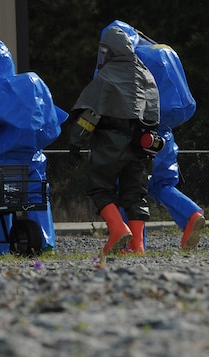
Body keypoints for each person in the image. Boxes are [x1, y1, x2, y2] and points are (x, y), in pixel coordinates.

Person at [0, 35, 68, 255]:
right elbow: (51, 122)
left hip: (4, 162)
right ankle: (45, 243)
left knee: (2, 202)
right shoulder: (33, 83)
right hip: (34, 158)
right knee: (38, 198)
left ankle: (1, 247)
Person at [104, 20, 205, 250]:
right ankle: (191, 214)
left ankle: (133, 244)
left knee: (127, 189)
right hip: (165, 135)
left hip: (138, 137)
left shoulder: (127, 62)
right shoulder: (159, 54)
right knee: (161, 185)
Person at [68, 26, 160, 254]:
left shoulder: (107, 75)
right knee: (135, 193)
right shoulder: (146, 74)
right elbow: (154, 114)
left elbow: (92, 113)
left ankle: (118, 229)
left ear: (109, 50)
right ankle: (137, 246)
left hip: (110, 142)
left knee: (99, 187)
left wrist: (76, 141)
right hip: (141, 144)